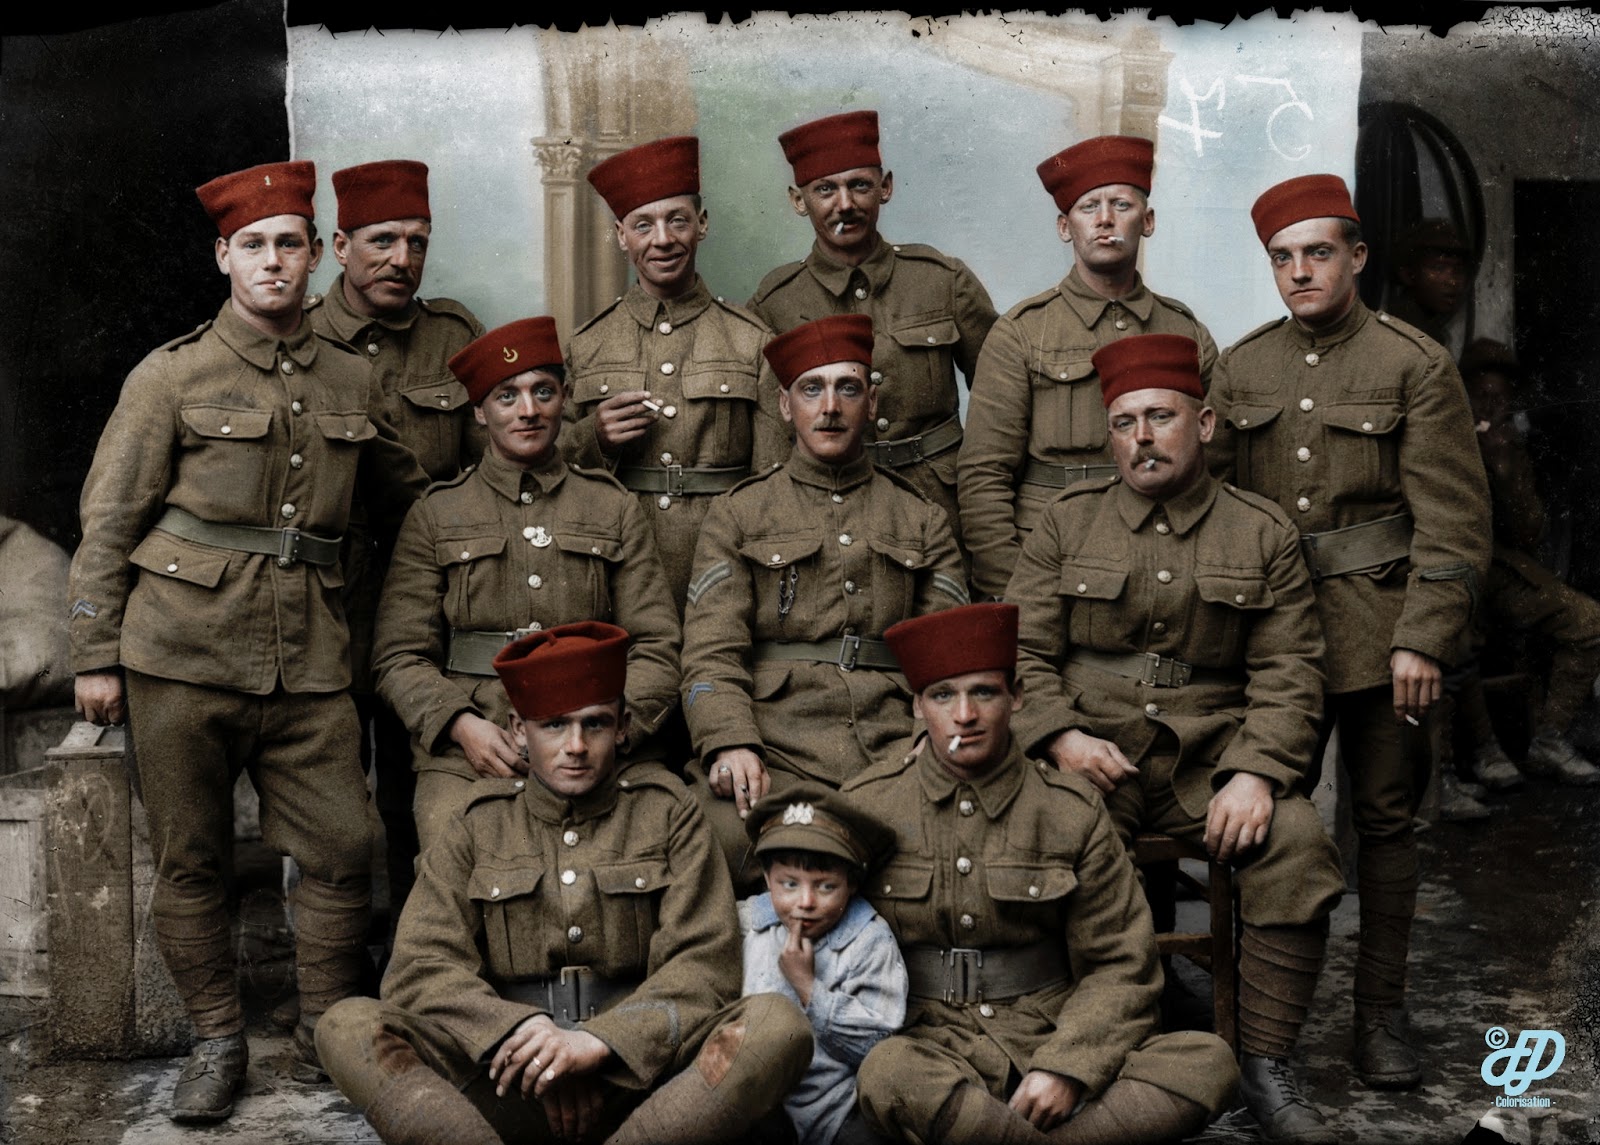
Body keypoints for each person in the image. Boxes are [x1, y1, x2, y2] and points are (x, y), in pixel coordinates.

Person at [65, 160, 429, 1121]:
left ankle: (324, 1039)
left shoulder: (354, 376)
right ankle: (218, 1040)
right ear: (224, 256)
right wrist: (94, 653)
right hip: (177, 652)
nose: (275, 262)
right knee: (193, 859)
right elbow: (109, 519)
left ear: (318, 257)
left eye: (292, 244)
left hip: (309, 655)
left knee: (347, 845)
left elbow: (410, 501)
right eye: (255, 245)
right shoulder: (171, 374)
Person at [1005, 334, 1347, 1143]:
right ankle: (1107, 1054)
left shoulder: (1260, 531)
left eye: (1161, 416)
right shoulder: (1064, 523)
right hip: (1096, 760)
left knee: (1296, 843)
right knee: (1055, 849)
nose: (1142, 437)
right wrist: (1059, 738)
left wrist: (1259, 774)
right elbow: (1019, 654)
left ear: (1207, 421)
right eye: (1124, 422)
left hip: (1212, 761)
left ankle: (1262, 1064)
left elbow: (1292, 671)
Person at [1206, 174, 1491, 1092]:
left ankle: (1380, 1016)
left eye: (1317, 253)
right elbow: (1211, 506)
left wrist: (1425, 637)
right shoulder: (1242, 368)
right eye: (1282, 259)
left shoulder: (1413, 364)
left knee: (1385, 823)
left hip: (1379, 636)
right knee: (1265, 824)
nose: (1299, 272)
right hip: (1268, 645)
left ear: (1357, 257)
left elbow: (1452, 522)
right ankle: (1260, 1029)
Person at [314, 621, 813, 1144]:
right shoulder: (476, 821)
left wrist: (599, 1044)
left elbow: (702, 967)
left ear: (622, 728)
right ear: (516, 729)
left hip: (641, 1087)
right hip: (507, 1086)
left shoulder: (667, 813)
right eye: (553, 726)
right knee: (348, 1025)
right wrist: (520, 1035)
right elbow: (421, 968)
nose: (575, 745)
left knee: (777, 1026)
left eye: (594, 724)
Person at [844, 602, 1238, 1145]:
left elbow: (1122, 963)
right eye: (943, 695)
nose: (965, 715)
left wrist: (1068, 1067)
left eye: (984, 692)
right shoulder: (869, 804)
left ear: (1017, 697)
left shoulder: (1070, 809)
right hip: (926, 1046)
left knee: (1205, 1060)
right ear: (916, 706)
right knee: (889, 1072)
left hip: (1046, 1034)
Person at [371, 316, 681, 852]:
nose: (529, 410)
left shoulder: (611, 507)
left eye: (543, 391)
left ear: (566, 398)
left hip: (595, 744)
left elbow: (658, 644)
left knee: (651, 843)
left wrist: (611, 727)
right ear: (479, 411)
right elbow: (398, 657)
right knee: (454, 845)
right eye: (506, 396)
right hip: (479, 750)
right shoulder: (438, 514)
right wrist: (461, 725)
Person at [680, 314, 968, 888]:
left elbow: (949, 665)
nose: (830, 406)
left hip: (894, 752)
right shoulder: (738, 514)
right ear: (786, 406)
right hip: (774, 751)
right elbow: (711, 654)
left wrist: (924, 743)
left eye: (848, 388)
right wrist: (731, 742)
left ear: (872, 399)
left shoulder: (922, 518)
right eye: (812, 389)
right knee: (711, 843)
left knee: (949, 844)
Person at [308, 158, 487, 924]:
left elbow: (493, 458)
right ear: (340, 244)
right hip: (333, 601)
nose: (401, 260)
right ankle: (343, 972)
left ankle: (417, 960)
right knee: (336, 795)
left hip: (432, 600)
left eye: (417, 241)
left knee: (422, 781)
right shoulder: (306, 340)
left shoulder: (452, 336)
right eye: (382, 240)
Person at [958, 135, 1218, 599]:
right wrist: (1014, 591)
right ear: (1064, 227)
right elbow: (984, 478)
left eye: (1121, 204)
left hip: (1163, 563)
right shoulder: (1021, 333)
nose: (1104, 220)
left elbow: (1216, 465)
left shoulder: (1186, 331)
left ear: (1149, 221)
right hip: (1051, 561)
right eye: (1087, 207)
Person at [748, 109, 998, 546]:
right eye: (825, 189)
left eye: (859, 185)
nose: (844, 204)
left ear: (886, 188)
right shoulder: (776, 303)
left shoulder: (943, 280)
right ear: (797, 199)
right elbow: (769, 434)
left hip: (940, 500)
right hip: (831, 509)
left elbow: (1002, 403)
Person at [562, 135, 789, 610]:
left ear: (701, 225)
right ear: (621, 235)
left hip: (726, 563)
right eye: (643, 225)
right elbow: (550, 470)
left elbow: (774, 483)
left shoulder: (751, 340)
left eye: (677, 220)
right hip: (617, 566)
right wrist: (594, 436)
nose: (662, 239)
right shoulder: (587, 345)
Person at [1455, 339, 1600, 787]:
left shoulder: (1508, 447)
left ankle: (1549, 739)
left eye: (1500, 399)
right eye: (1481, 396)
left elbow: (1529, 533)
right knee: (1452, 638)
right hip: (1453, 569)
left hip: (1500, 571)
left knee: (1588, 620)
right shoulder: (1445, 438)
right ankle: (1481, 754)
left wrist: (1503, 463)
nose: (1491, 406)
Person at [742, 782, 907, 1145]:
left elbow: (879, 1043)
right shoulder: (748, 927)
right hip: (760, 1103)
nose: (805, 902)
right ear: (768, 878)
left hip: (839, 1107)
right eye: (789, 884)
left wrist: (808, 988)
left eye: (825, 886)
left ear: (851, 883)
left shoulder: (870, 941)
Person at [1386, 218, 1472, 350]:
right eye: (1438, 268)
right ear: (1408, 274)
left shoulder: (1427, 326)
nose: (1452, 281)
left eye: (1458, 270)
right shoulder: (1403, 332)